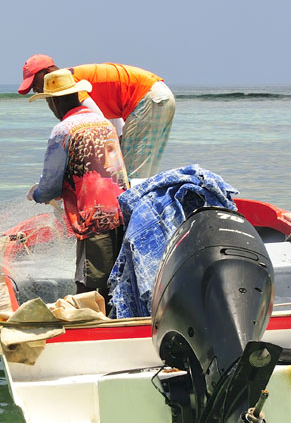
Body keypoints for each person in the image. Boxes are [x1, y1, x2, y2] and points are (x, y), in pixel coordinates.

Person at [26, 69, 129, 305]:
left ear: (54, 101)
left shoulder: (63, 130)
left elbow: (50, 186)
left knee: (88, 284)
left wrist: (36, 194)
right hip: (122, 212)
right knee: (115, 281)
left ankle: (89, 330)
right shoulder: (104, 123)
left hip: (94, 218)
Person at [18, 54, 175, 180]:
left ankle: (133, 217)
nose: (35, 90)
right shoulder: (77, 77)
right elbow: (113, 126)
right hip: (159, 95)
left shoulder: (69, 86)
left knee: (129, 176)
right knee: (142, 170)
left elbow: (99, 127)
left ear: (47, 73)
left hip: (146, 98)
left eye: (34, 83)